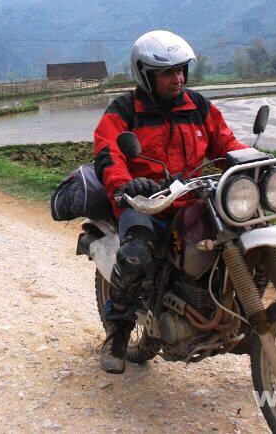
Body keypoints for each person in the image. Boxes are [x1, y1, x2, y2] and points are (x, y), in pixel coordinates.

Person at [92, 30, 247, 374]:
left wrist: (251, 159)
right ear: (145, 75)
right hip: (145, 203)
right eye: (167, 73)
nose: (177, 79)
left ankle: (243, 314)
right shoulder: (125, 110)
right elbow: (108, 151)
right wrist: (125, 184)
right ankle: (117, 334)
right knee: (135, 254)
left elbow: (226, 143)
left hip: (194, 197)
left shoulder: (198, 106)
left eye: (180, 70)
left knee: (243, 233)